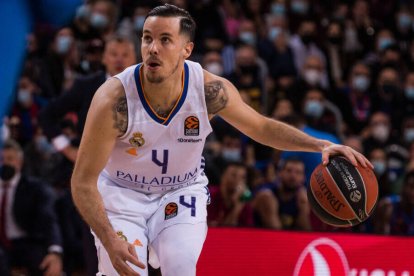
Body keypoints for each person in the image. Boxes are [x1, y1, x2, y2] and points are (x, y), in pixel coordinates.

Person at [71, 4, 372, 276]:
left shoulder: (208, 90)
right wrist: (109, 239)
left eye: (165, 40)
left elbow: (261, 127)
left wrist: (320, 145)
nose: (152, 48)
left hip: (180, 190)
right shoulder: (114, 99)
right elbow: (83, 181)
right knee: (120, 270)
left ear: (186, 49)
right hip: (123, 193)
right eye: (147, 38)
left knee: (181, 264)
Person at [0, 139, 63, 275]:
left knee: (44, 263)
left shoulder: (35, 188)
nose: (5, 163)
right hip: (2, 247)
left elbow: (48, 220)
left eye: (10, 159)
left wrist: (55, 251)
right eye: (2, 159)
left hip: (27, 243)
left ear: (19, 162)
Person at [253, 157, 311, 230]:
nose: (293, 176)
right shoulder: (267, 195)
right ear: (280, 173)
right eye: (289, 171)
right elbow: (276, 235)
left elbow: (305, 232)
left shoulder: (303, 197)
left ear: (303, 177)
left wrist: (303, 210)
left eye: (298, 172)